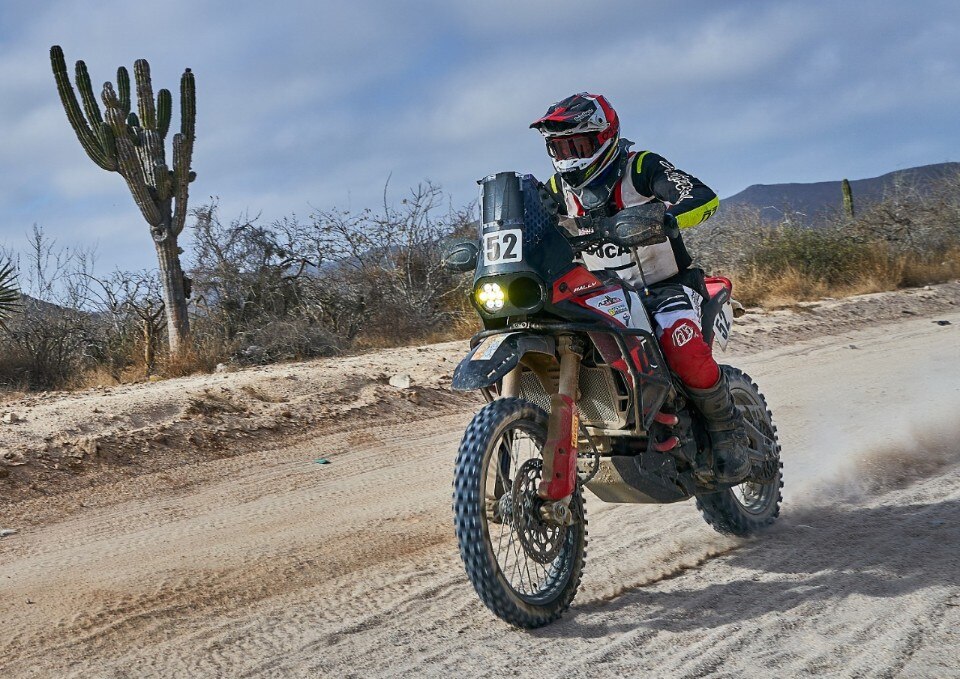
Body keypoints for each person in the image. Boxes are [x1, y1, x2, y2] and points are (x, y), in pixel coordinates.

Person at [530, 92, 751, 484]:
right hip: (601, 294)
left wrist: (665, 218)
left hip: (664, 287)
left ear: (604, 137)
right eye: (559, 149)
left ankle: (729, 433)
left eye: (577, 146)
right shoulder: (555, 188)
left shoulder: (641, 166)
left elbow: (701, 197)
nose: (568, 158)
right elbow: (533, 232)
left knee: (682, 348)